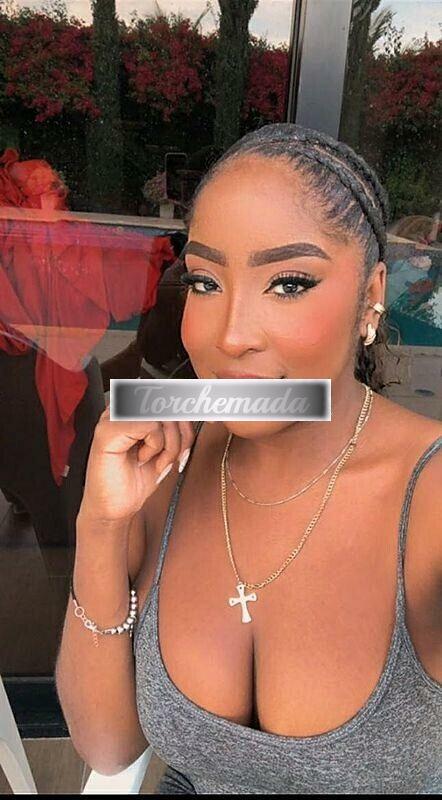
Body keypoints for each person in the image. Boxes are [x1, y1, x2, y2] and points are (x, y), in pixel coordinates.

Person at [55, 123, 442, 794]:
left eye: (289, 283)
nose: (231, 336)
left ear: (371, 294)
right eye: (205, 283)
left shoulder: (429, 498)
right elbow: (108, 747)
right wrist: (101, 525)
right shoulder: (165, 463)